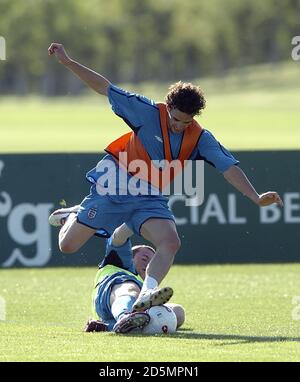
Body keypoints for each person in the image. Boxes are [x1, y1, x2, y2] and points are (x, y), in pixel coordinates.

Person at [48, 42, 283, 313]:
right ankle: (73, 216)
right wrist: (68, 62)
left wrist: (255, 197)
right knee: (68, 246)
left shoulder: (200, 137)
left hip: (149, 194)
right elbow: (105, 87)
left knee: (171, 241)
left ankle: (147, 291)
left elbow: (228, 168)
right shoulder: (146, 112)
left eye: (186, 121)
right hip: (115, 184)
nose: (179, 125)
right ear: (167, 106)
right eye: (176, 118)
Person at [83, 235, 185, 334]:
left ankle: (108, 326)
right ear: (130, 256)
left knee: (178, 311)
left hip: (113, 316)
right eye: (144, 259)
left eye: (152, 263)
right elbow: (118, 236)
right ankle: (124, 316)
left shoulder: (145, 284)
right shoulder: (121, 261)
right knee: (130, 287)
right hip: (108, 296)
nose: (148, 265)